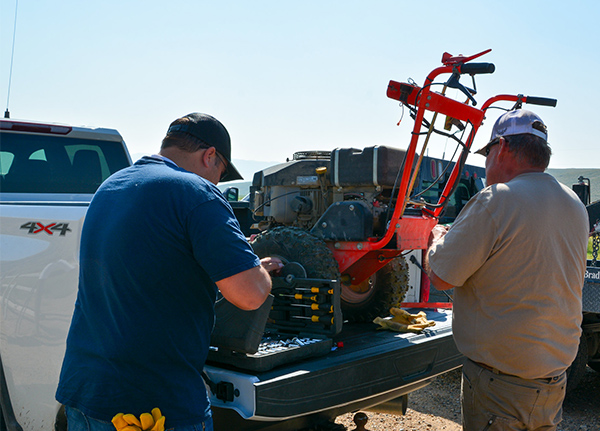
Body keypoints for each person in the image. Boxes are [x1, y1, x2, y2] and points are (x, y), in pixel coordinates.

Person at [56, 113, 282, 431]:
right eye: (219, 173)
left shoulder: (112, 186)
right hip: (151, 403)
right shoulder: (197, 193)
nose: (216, 182)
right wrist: (256, 266)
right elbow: (251, 295)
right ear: (210, 156)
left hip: (84, 390)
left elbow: (154, 262)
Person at [426, 109, 589, 431]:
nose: (486, 165)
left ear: (501, 147)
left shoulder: (496, 199)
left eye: (486, 154)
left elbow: (442, 275)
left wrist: (437, 240)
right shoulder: (573, 204)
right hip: (551, 381)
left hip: (500, 386)